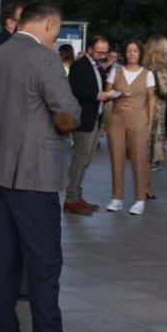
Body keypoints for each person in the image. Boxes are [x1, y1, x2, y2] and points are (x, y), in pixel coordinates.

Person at [0, 3, 102, 332]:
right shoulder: (44, 59)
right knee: (44, 265)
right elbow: (69, 113)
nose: (55, 36)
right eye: (56, 30)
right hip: (35, 174)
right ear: (47, 23)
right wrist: (58, 124)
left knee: (4, 263)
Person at [103, 39, 157, 215]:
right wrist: (118, 93)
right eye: (128, 51)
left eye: (135, 51)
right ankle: (117, 197)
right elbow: (106, 94)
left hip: (138, 118)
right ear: (124, 54)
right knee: (116, 157)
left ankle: (140, 199)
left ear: (140, 53)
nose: (132, 54)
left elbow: (151, 99)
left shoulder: (147, 74)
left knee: (138, 158)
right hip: (117, 117)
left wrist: (149, 122)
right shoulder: (116, 71)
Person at [63, 35, 113, 216]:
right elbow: (76, 89)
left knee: (86, 159)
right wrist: (99, 95)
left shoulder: (95, 66)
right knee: (80, 159)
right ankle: (70, 199)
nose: (102, 55)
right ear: (90, 49)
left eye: (105, 52)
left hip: (93, 118)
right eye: (99, 52)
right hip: (83, 120)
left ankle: (76, 195)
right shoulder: (80, 65)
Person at [144, 36, 167, 179]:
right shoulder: (161, 66)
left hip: (143, 104)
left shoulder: (144, 64)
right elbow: (164, 90)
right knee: (155, 133)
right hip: (156, 106)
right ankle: (152, 162)